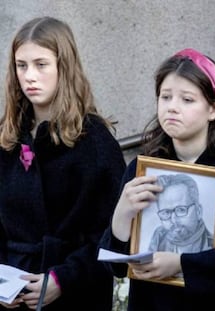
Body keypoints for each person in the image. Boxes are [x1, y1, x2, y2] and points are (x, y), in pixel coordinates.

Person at [99, 48, 215, 310]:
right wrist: (121, 216)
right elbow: (118, 268)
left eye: (187, 100)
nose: (172, 108)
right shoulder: (141, 169)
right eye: (165, 97)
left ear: (213, 109)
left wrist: (181, 264)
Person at [0, 17, 126, 310]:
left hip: (73, 295)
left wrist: (63, 279)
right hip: (12, 296)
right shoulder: (6, 138)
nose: (30, 75)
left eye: (41, 64)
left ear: (63, 66)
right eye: (22, 65)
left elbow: (111, 235)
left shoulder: (94, 141)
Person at [147, 174, 213, 253]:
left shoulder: (214, 245)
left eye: (181, 210)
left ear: (198, 211)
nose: (173, 220)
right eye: (166, 212)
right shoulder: (159, 237)